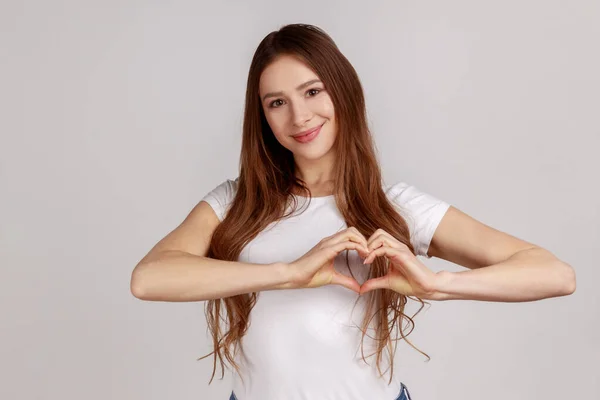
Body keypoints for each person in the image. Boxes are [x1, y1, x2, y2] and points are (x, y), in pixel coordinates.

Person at [129, 23, 576, 400]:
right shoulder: (234, 202)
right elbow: (150, 278)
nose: (299, 116)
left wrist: (436, 285)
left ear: (341, 91)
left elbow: (554, 274)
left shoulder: (393, 206)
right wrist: (288, 273)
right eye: (277, 102)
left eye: (312, 91)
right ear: (262, 116)